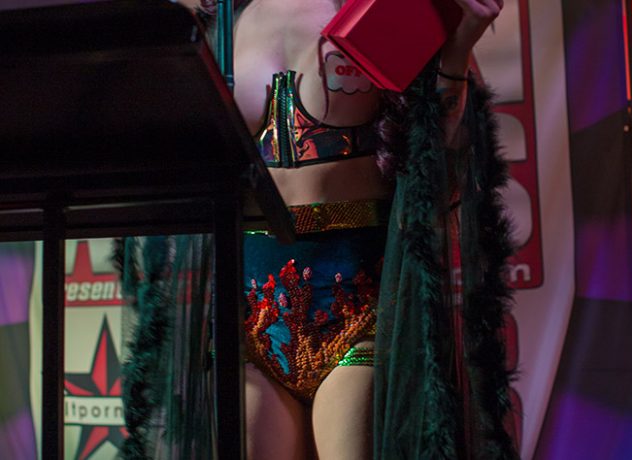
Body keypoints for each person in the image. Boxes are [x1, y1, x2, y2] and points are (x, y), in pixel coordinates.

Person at [176, 1, 513, 459]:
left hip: (359, 310)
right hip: (249, 314)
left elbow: (443, 163)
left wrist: (458, 46)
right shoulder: (222, 17)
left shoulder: (388, 7)